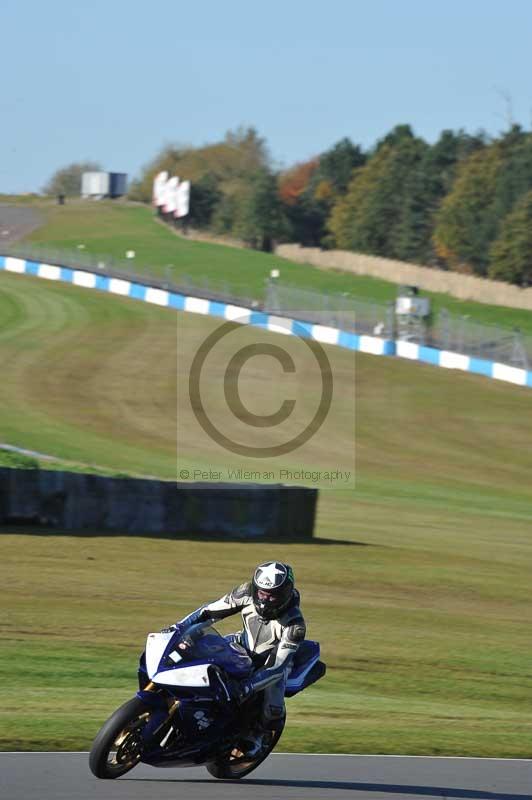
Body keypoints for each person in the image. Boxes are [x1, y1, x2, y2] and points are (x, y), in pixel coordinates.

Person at [165, 561, 306, 757]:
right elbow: (208, 612)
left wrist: (249, 686)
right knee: (196, 648)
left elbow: (277, 665)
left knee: (273, 701)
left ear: (285, 593)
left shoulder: (294, 625)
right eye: (262, 593)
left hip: (269, 663)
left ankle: (259, 735)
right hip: (240, 645)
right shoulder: (246, 592)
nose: (265, 599)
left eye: (272, 595)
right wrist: (177, 628)